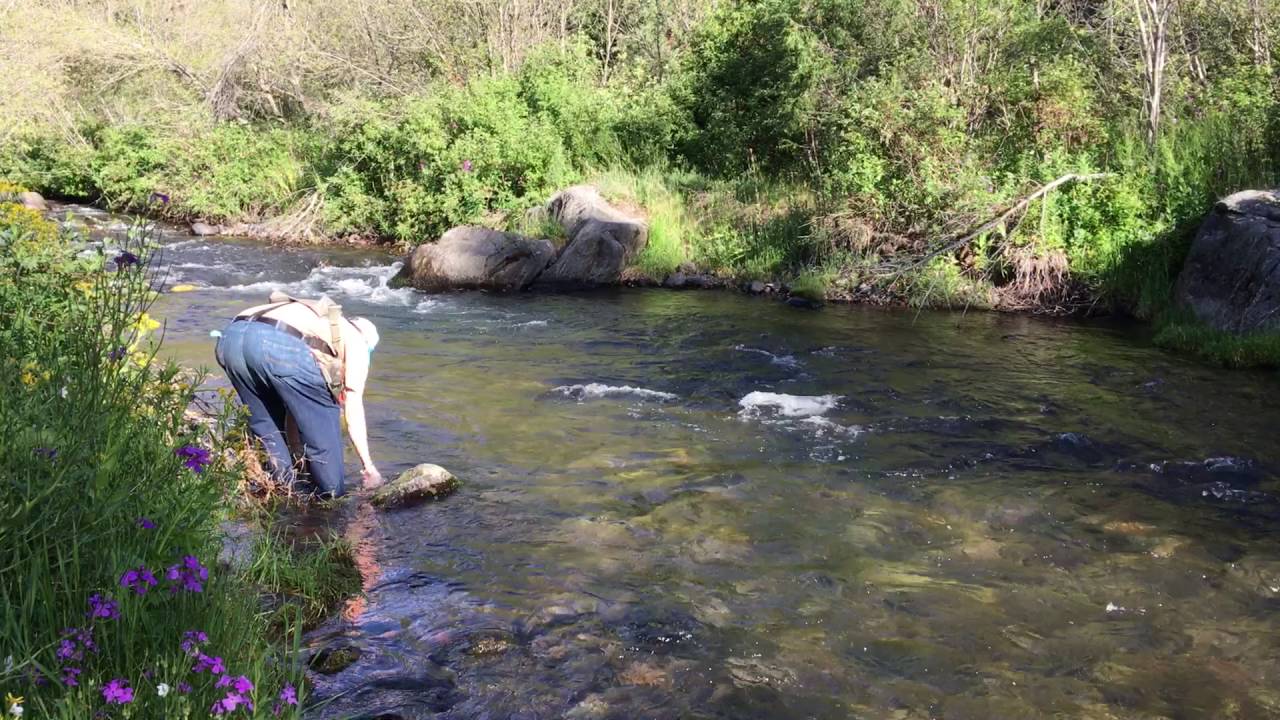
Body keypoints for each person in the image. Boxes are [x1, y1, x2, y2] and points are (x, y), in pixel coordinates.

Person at [215, 293, 383, 497]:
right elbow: (353, 407)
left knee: (267, 426)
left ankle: (283, 491)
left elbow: (294, 408)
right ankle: (330, 499)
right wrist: (369, 466)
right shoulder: (356, 338)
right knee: (324, 417)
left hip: (231, 337)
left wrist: (297, 452)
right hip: (278, 343)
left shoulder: (318, 320)